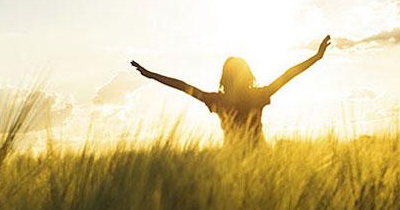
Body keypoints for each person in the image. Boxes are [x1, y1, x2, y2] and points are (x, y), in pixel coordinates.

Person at [131, 35, 331, 149]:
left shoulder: (218, 100)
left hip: (232, 161)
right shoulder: (257, 96)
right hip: (257, 157)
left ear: (224, 78)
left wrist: (151, 75)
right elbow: (289, 74)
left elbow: (182, 85)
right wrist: (317, 57)